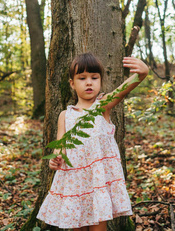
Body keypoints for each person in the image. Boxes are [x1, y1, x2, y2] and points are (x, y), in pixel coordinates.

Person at [37, 52, 149, 231]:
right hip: (74, 182)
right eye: (82, 78)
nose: (89, 82)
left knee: (98, 226)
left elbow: (123, 89)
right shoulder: (65, 115)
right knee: (76, 226)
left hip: (98, 180)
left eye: (94, 77)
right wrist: (56, 158)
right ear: (72, 84)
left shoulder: (103, 106)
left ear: (100, 81)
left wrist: (142, 74)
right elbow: (61, 147)